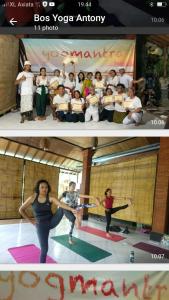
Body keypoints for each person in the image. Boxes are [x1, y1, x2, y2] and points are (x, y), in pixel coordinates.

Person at [19, 179, 77, 263]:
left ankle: (72, 219)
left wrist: (71, 209)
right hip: (41, 225)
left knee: (61, 208)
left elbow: (60, 204)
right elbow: (21, 210)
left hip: (51, 221)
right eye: (42, 187)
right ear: (38, 188)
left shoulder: (50, 198)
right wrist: (31, 221)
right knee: (44, 250)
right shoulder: (32, 198)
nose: (44, 189)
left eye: (46, 187)